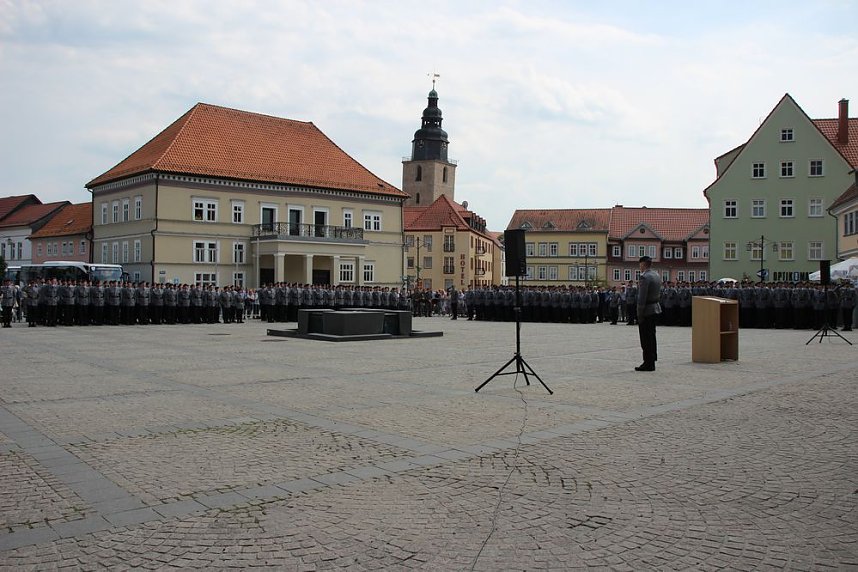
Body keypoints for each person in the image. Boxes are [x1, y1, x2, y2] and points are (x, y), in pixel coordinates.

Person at [636, 255, 662, 372]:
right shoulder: (656, 275)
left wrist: (639, 313)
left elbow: (642, 298)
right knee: (652, 336)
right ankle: (652, 359)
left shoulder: (644, 277)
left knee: (645, 338)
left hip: (647, 310)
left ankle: (648, 362)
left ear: (642, 264)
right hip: (655, 308)